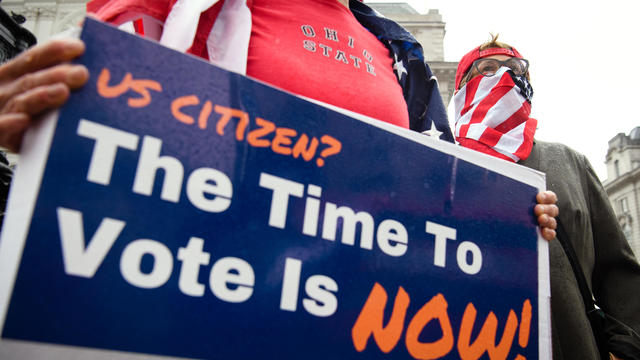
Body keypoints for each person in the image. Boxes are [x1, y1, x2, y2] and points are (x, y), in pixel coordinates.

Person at [453, 34, 640, 360]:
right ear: (462, 88)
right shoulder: (443, 165)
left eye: (516, 69)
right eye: (487, 69)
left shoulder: (569, 162)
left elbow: (617, 269)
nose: (505, 76)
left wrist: (627, 346)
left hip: (571, 344)